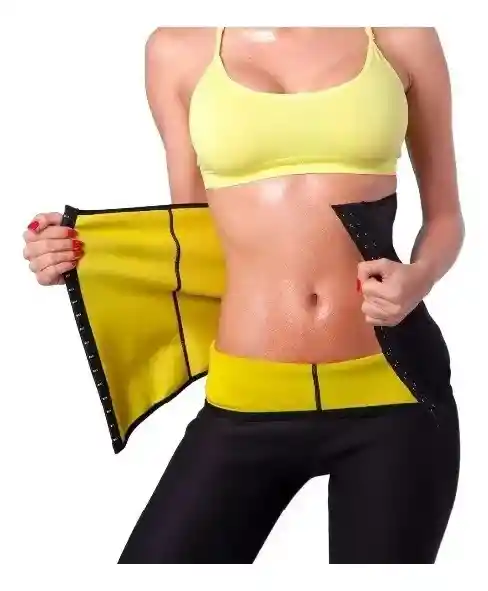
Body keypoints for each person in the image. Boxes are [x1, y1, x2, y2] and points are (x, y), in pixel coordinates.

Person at [22, 27, 463, 564]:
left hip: (394, 391)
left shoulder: (399, 35)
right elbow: (191, 238)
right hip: (246, 396)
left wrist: (419, 278)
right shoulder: (177, 50)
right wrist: (77, 252)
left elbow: (446, 217)